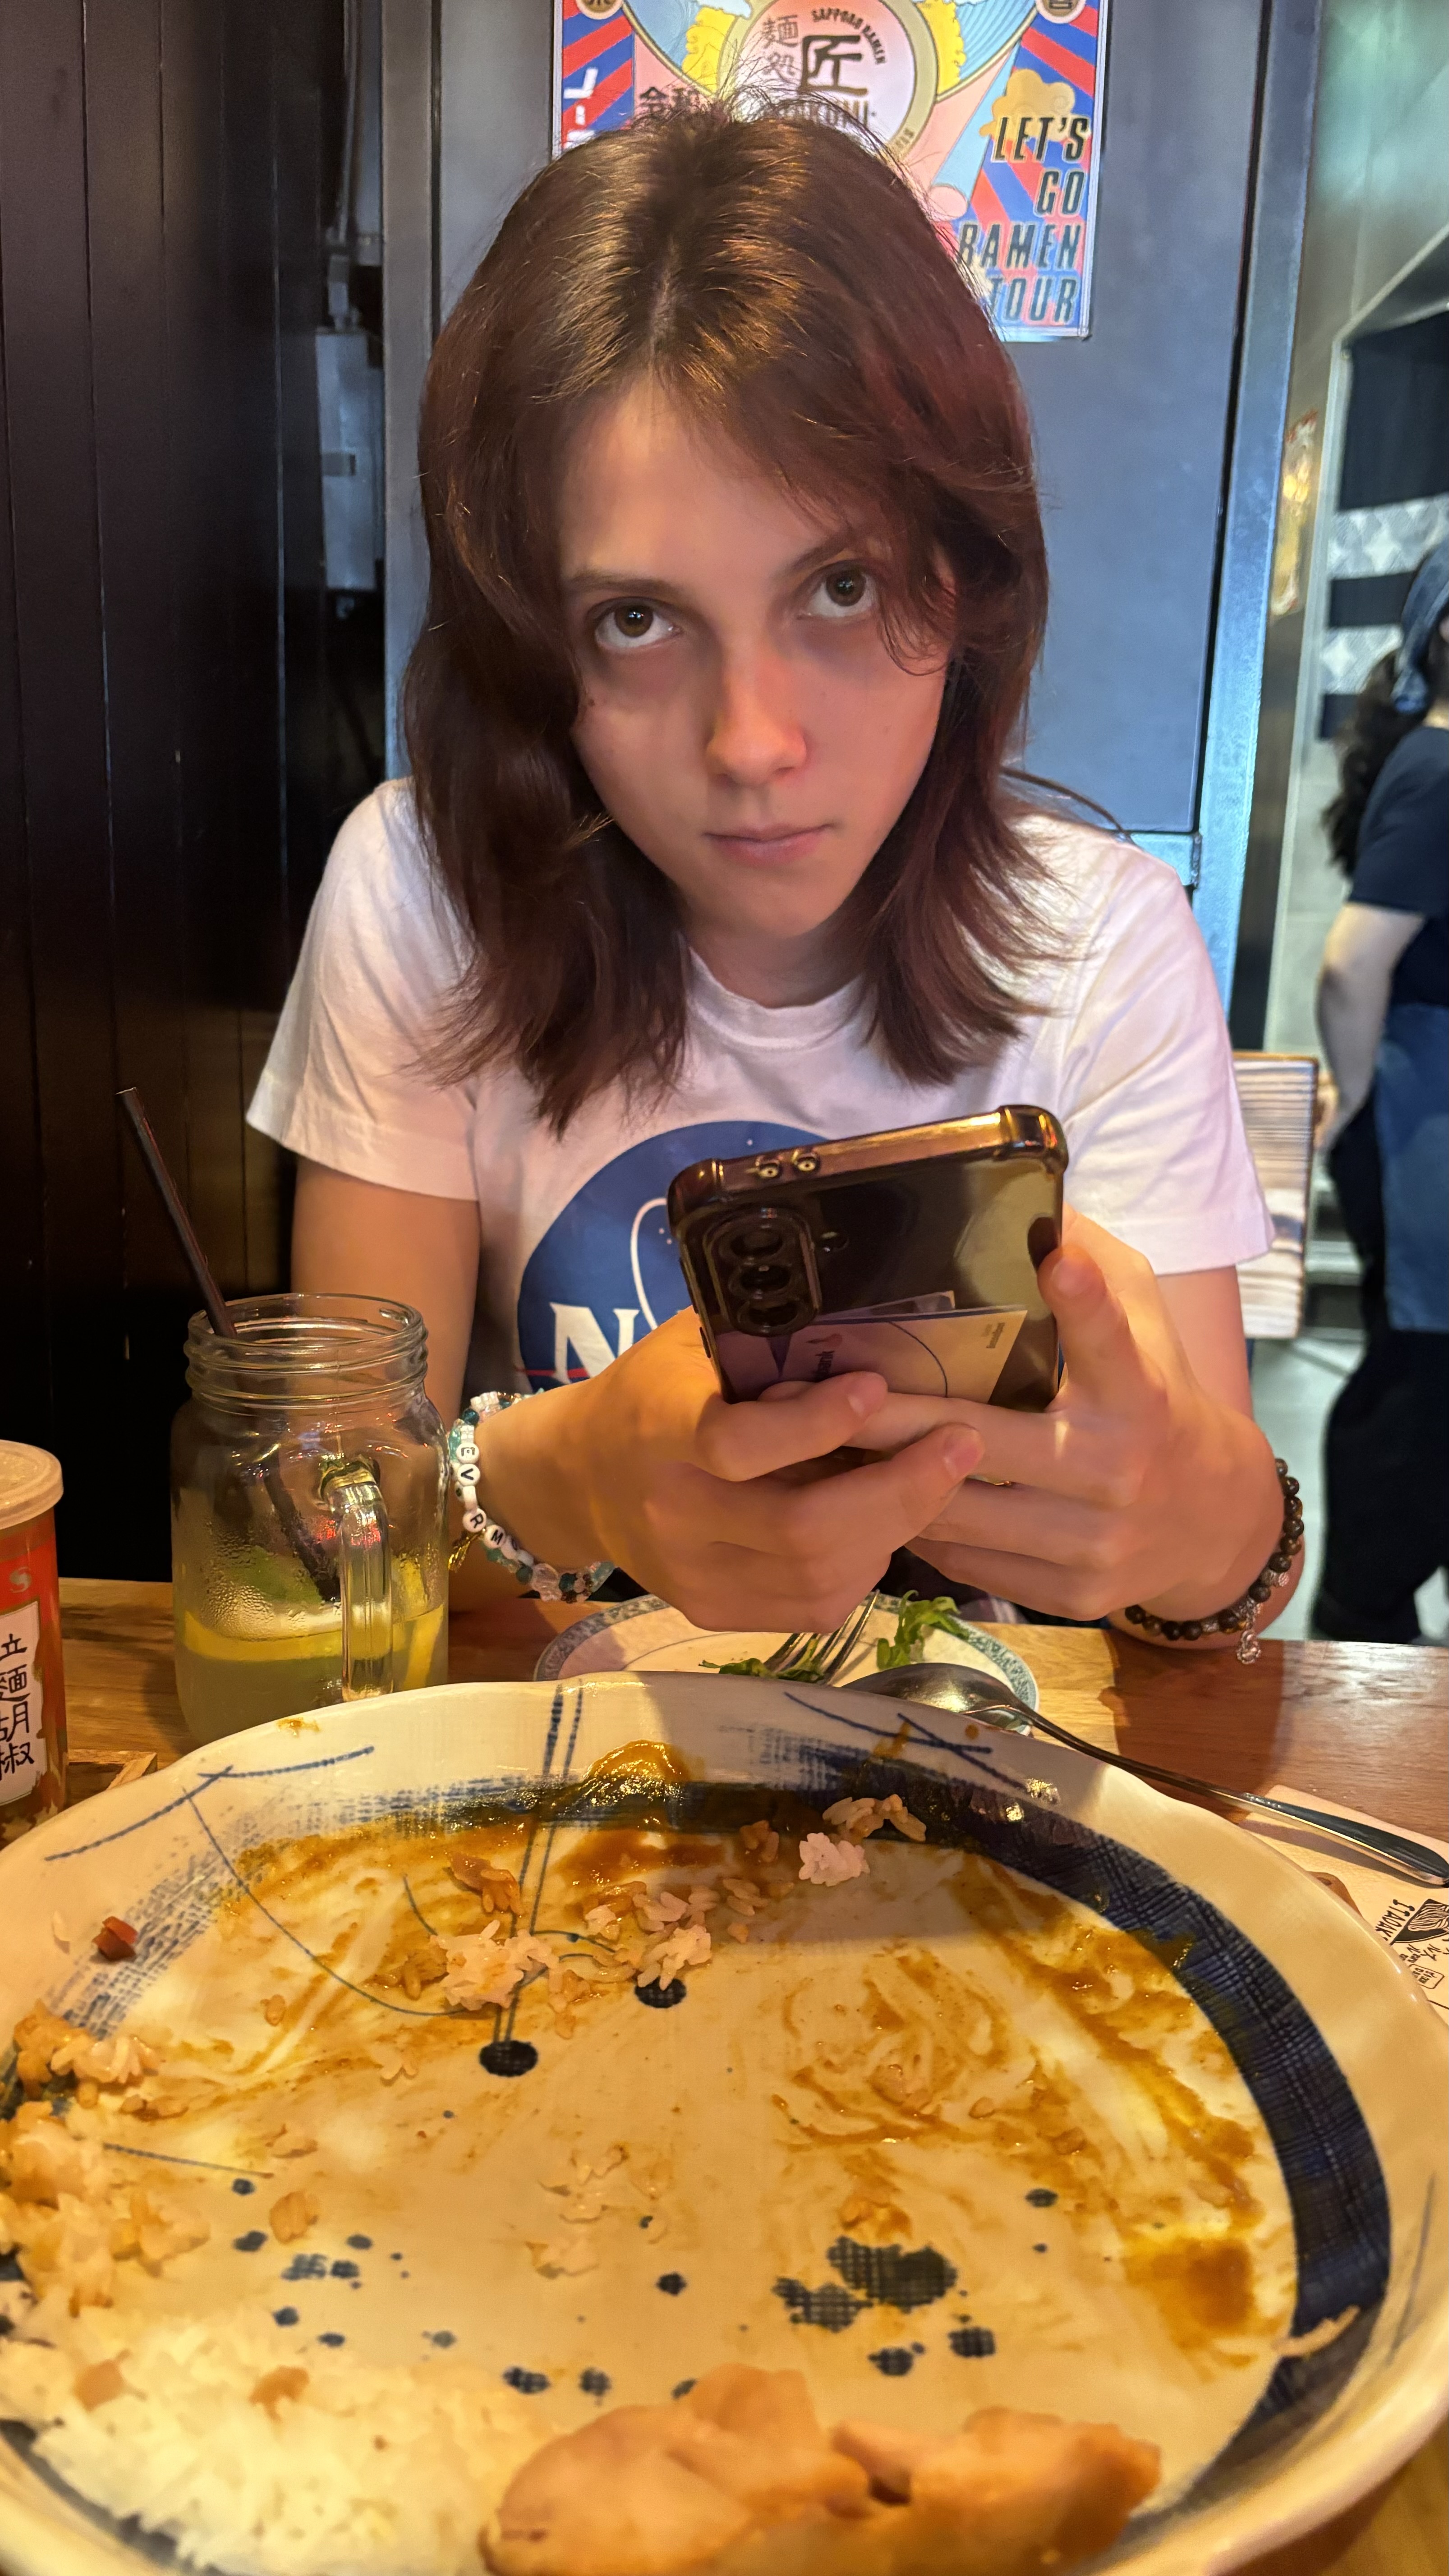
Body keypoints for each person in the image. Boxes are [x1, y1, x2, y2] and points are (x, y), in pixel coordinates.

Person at [249, 103, 1295, 1651]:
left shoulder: (1102, 945)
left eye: (838, 586)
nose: (751, 743)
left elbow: (1192, 1590)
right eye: (634, 621)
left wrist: (1199, 1520)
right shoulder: (421, 892)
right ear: (529, 646)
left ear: (963, 581)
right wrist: (571, 1478)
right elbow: (336, 1534)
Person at [1313, 543, 1449, 1641]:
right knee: (1421, 1381)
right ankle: (1361, 1633)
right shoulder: (1439, 770)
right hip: (1422, 1123)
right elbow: (1349, 965)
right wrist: (1353, 1096)